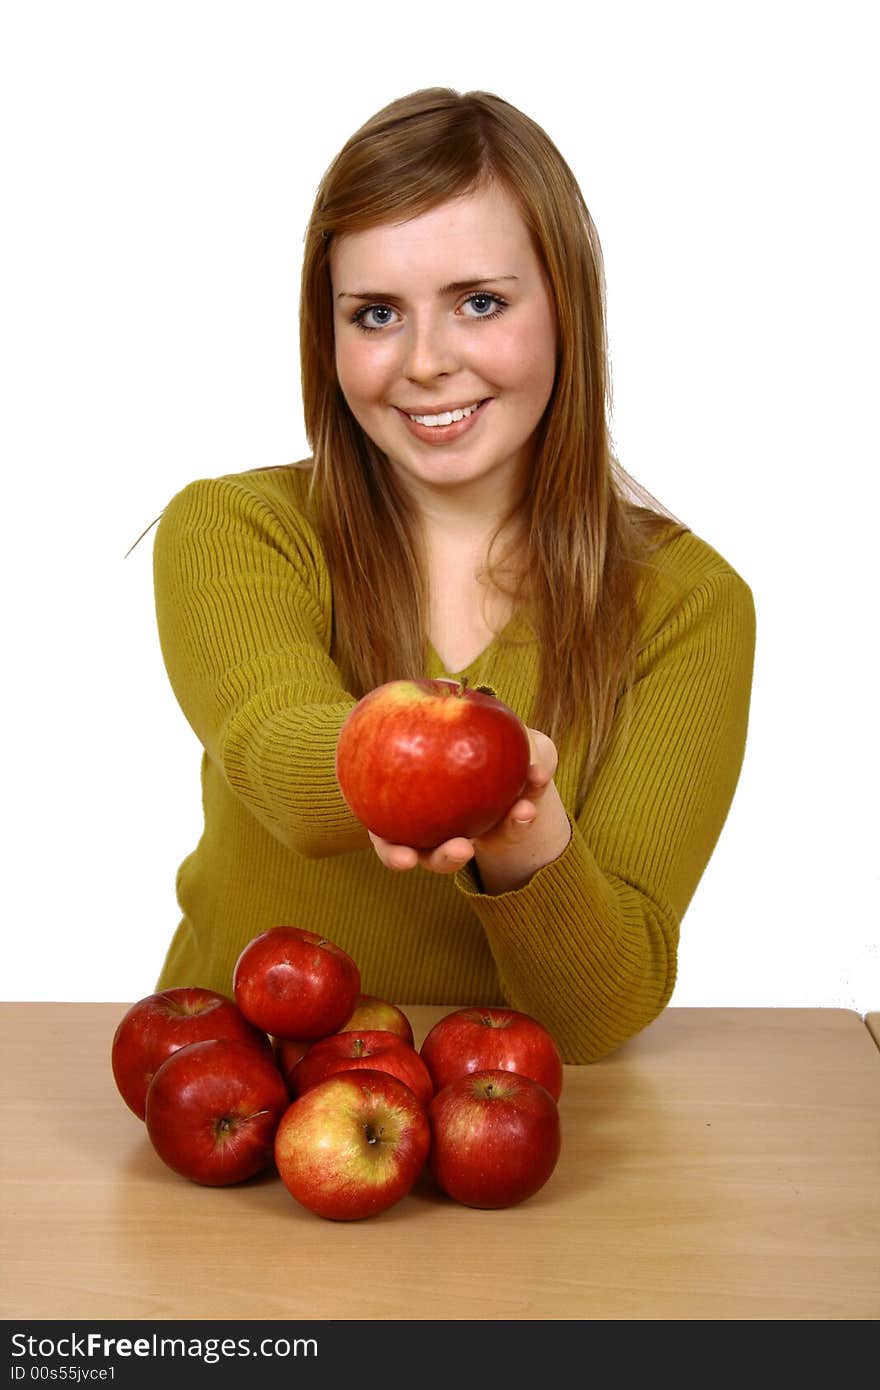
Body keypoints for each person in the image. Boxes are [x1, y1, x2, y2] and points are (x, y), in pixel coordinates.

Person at [151, 88, 756, 1063]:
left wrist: (526, 834)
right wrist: (467, 775)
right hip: (244, 1101)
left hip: (508, 1128)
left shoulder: (686, 605)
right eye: (377, 313)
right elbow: (283, 765)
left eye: (479, 302)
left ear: (567, 307)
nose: (426, 362)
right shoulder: (236, 529)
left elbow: (603, 1011)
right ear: (328, 334)